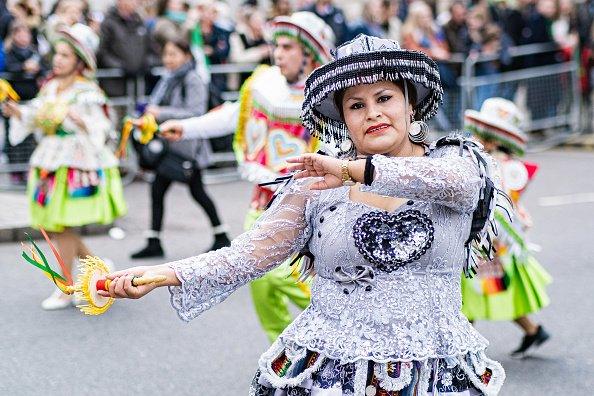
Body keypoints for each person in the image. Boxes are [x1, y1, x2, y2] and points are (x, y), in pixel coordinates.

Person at [100, 34, 506, 395]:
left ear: (409, 103)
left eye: (385, 98)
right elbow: (248, 254)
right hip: (334, 367)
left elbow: (456, 184)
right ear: (343, 119)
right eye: (356, 105)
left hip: (433, 367)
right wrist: (162, 275)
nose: (373, 114)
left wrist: (351, 171)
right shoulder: (318, 182)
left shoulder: (456, 162)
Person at [158, 11, 335, 343]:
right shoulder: (263, 83)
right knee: (262, 283)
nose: (278, 54)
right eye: (275, 46)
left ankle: (340, 327)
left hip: (310, 204)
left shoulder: (329, 100)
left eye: (287, 47)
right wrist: (185, 128)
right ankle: (284, 357)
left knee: (289, 279)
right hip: (264, 199)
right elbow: (232, 114)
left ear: (309, 53)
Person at [2, 23, 127, 310]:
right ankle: (96, 266)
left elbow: (103, 126)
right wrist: (18, 111)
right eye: (57, 54)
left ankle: (66, 286)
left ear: (79, 62)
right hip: (50, 163)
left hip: (76, 166)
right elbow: (36, 116)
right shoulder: (51, 87)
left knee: (64, 226)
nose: (58, 60)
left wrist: (79, 119)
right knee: (59, 226)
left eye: (65, 56)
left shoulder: (88, 92)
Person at [462, 97, 552, 359]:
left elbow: (501, 210)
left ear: (491, 138)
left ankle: (463, 349)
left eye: (481, 134)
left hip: (489, 242)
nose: (475, 137)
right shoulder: (493, 162)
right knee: (488, 288)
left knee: (474, 290)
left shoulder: (502, 167)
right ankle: (532, 330)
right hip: (488, 241)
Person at [130, 37, 230, 258]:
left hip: (188, 148)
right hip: (170, 146)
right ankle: (154, 240)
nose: (169, 59)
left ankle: (221, 234)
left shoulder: (192, 79)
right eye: (166, 54)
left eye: (174, 54)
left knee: (198, 191)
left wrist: (161, 113)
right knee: (158, 189)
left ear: (186, 56)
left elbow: (196, 113)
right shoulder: (168, 78)